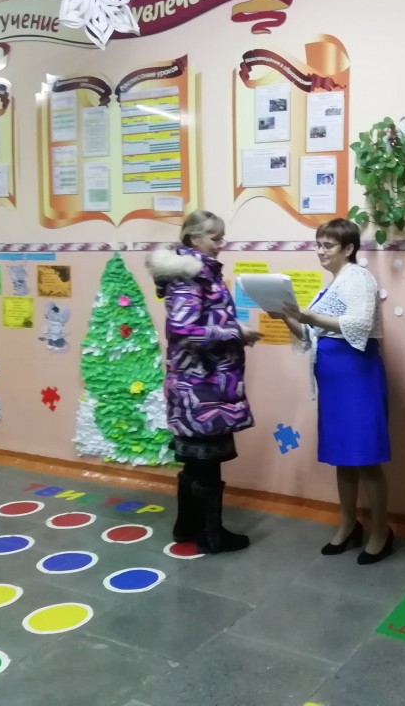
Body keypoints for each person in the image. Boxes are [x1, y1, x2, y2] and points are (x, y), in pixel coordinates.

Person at [275, 218, 394, 564]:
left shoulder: (359, 277)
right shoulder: (332, 285)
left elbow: (358, 324)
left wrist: (309, 317)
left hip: (357, 376)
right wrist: (284, 316)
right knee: (342, 455)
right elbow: (309, 334)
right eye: (318, 244)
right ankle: (347, 525)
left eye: (327, 245)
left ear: (349, 248)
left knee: (366, 456)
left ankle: (381, 531)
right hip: (334, 380)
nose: (320, 251)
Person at [146, 210, 262, 554]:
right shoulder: (191, 275)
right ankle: (211, 536)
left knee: (196, 460)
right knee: (207, 461)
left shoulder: (198, 272)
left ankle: (186, 527)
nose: (220, 244)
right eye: (215, 237)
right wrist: (235, 332)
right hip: (201, 386)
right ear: (193, 237)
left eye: (221, 237)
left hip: (200, 383)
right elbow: (184, 330)